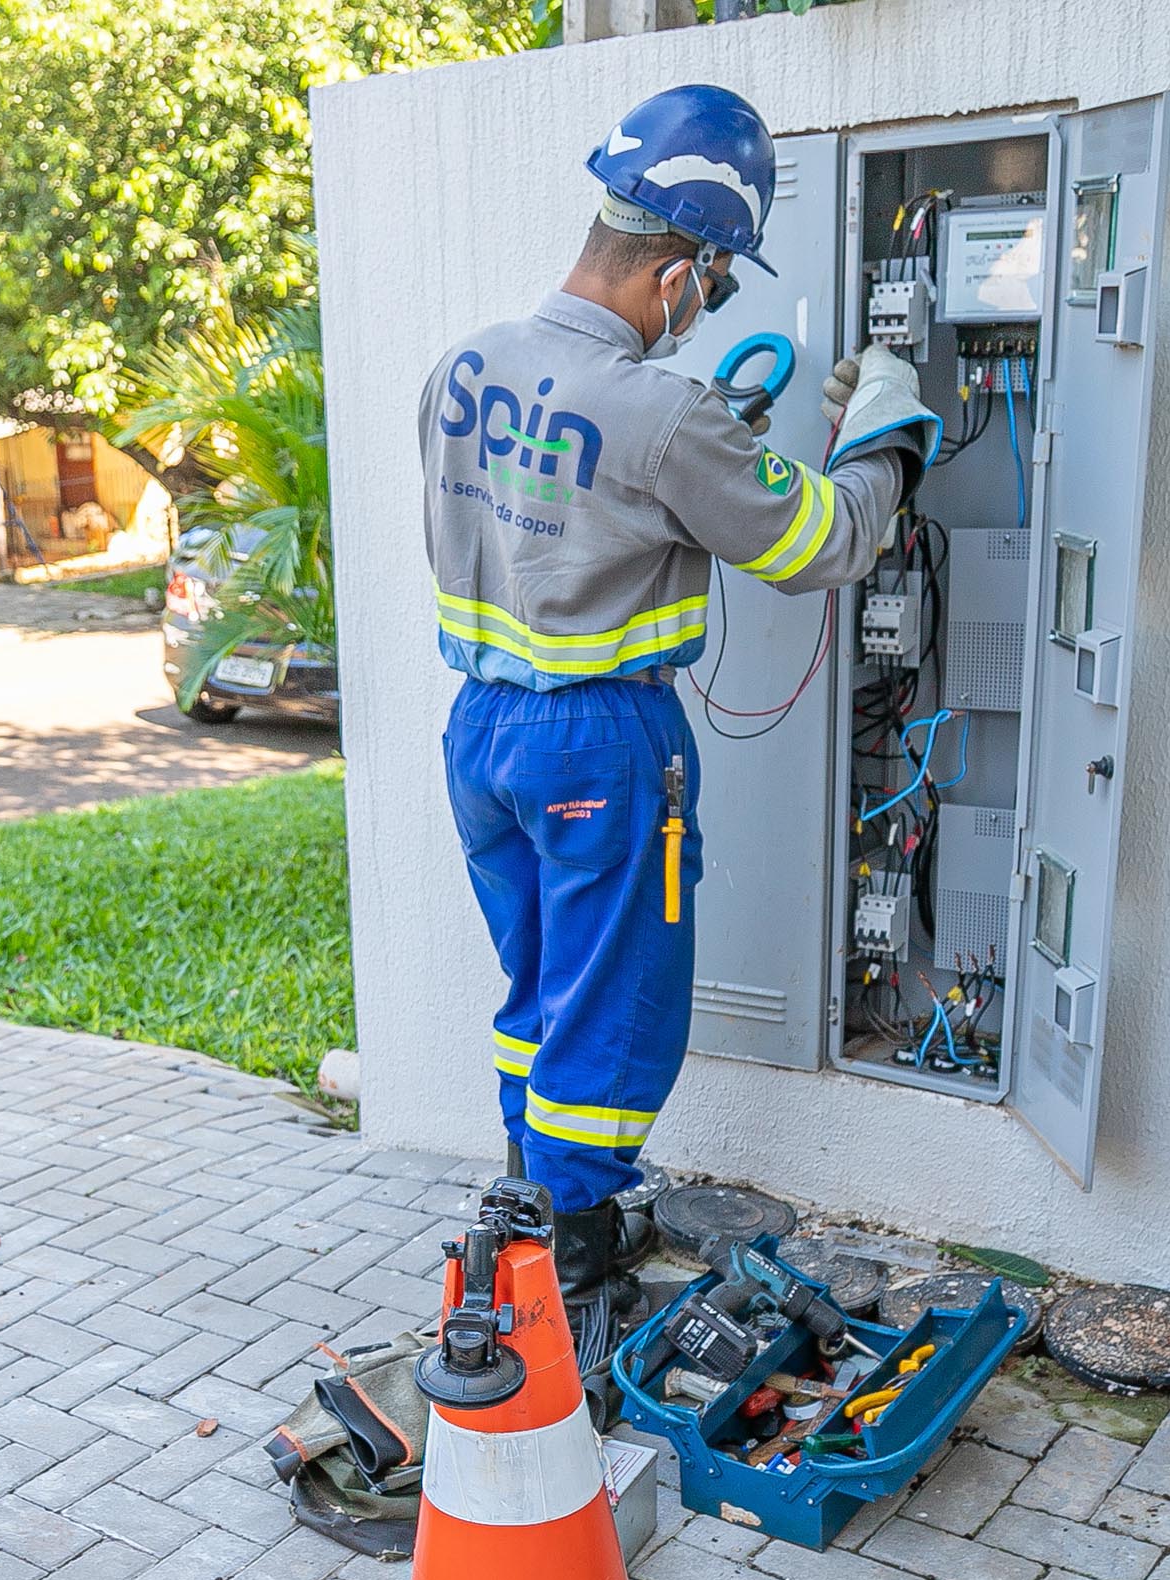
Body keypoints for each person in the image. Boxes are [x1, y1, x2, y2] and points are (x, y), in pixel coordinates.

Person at [421, 83, 940, 1316]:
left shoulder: (466, 363)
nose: (709, 307)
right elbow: (820, 539)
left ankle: (528, 1184)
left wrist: (703, 452)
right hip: (600, 742)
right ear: (679, 270)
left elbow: (552, 489)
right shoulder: (663, 411)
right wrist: (890, 428)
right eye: (718, 283)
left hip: (482, 737)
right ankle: (577, 1244)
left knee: (541, 982)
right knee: (620, 1002)